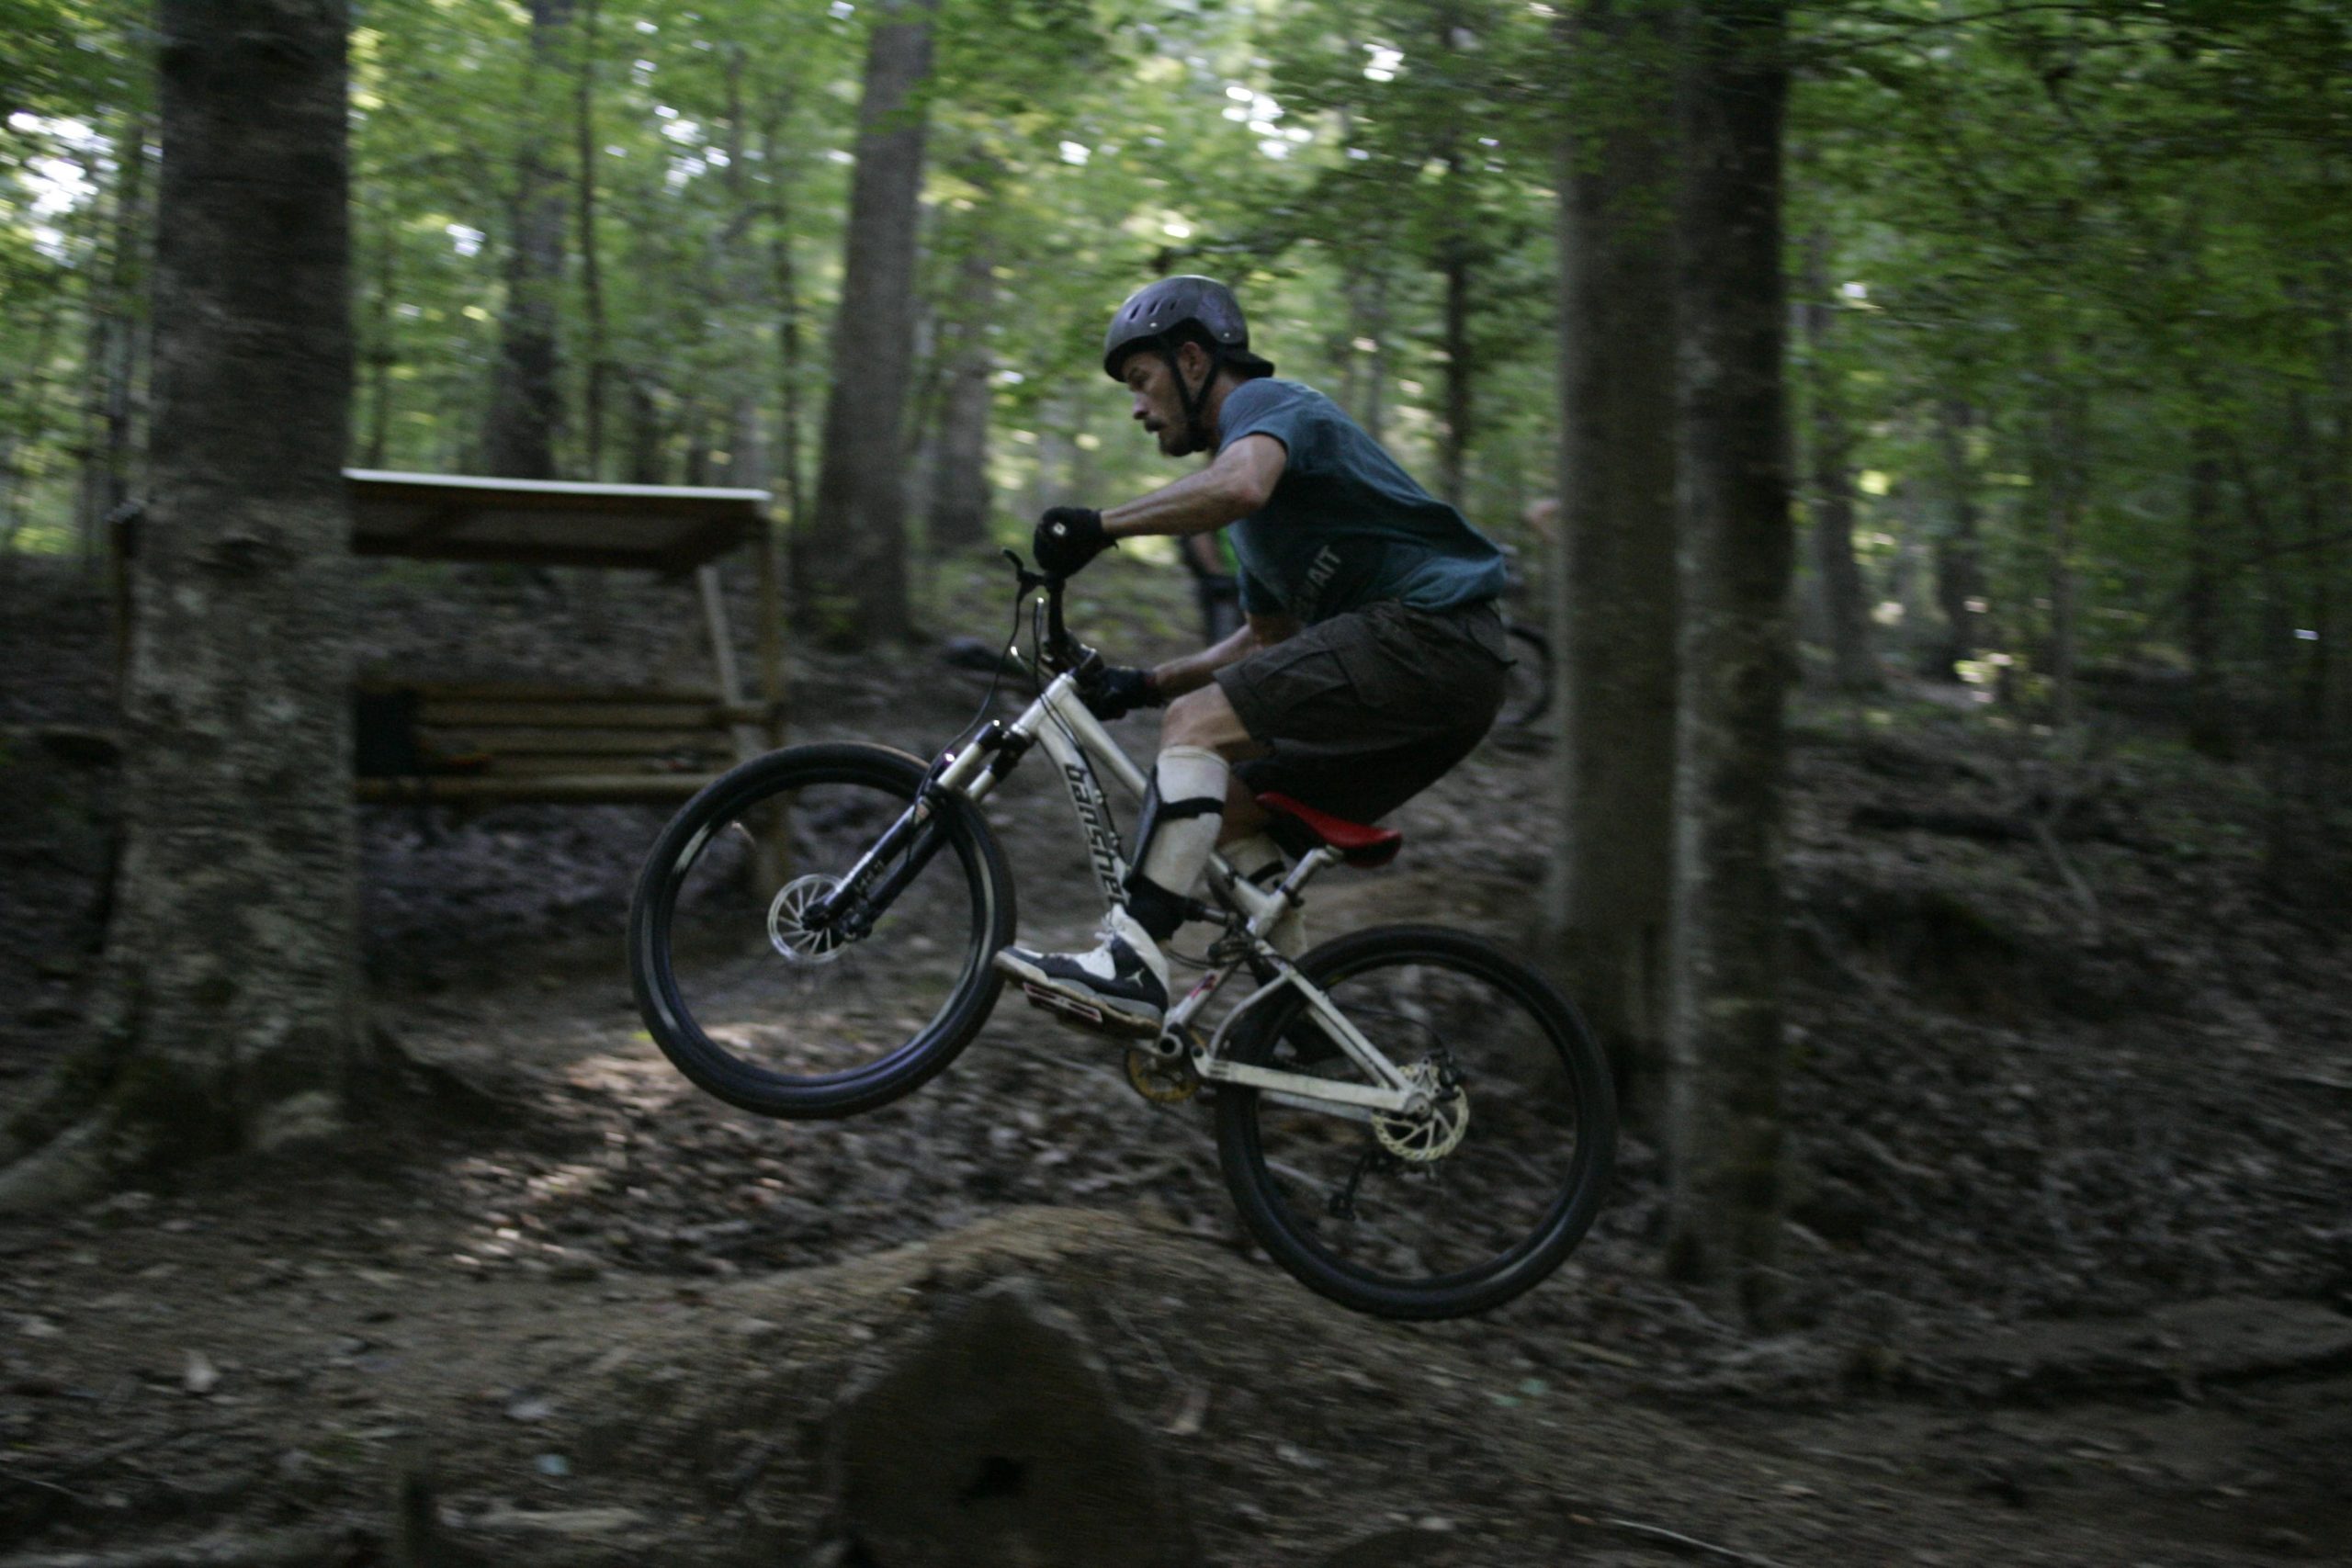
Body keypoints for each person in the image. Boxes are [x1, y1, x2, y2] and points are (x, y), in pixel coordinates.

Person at [992, 276, 1511, 1035]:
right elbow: (1266, 643)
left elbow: (1237, 485)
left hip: (1432, 631)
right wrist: (1144, 684)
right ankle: (1297, 1018)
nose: (1137, 408)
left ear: (1194, 359)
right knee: (1233, 809)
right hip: (1453, 681)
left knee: (1198, 724)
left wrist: (1099, 526)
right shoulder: (1260, 536)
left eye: (1141, 382)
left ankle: (1134, 964)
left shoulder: (1267, 409)